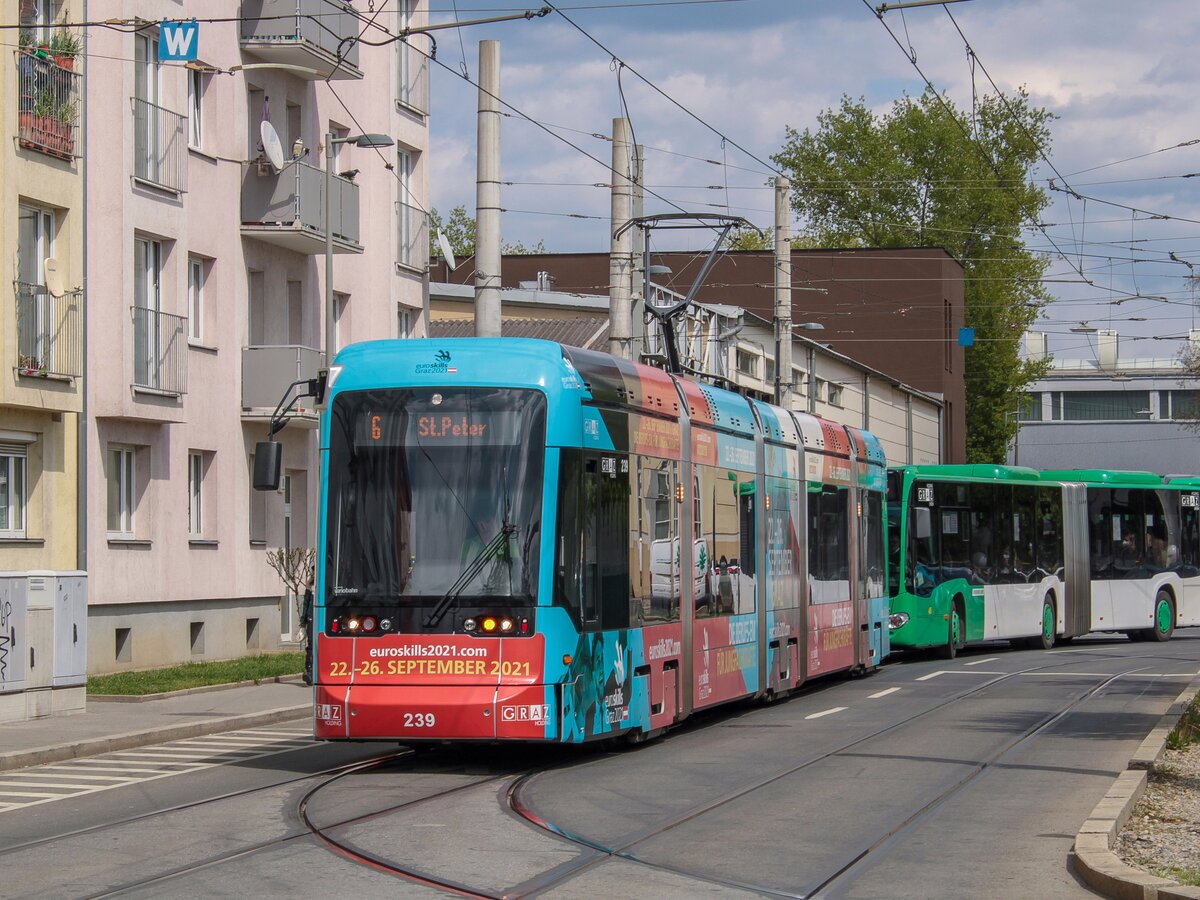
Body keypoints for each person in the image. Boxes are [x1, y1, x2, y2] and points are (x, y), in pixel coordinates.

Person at [301, 572, 314, 686]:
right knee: (311, 645)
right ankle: (309, 671)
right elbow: (306, 602)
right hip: (312, 618)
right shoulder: (311, 588)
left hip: (325, 617)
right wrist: (303, 621)